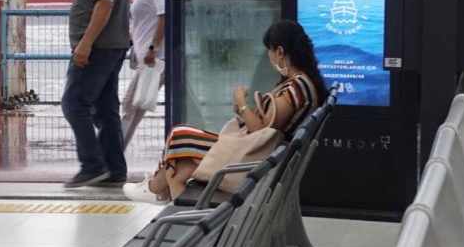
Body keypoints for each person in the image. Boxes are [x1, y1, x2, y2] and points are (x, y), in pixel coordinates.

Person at [124, 19, 324, 205]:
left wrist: (241, 102)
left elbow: (261, 132)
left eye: (269, 51)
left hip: (254, 159)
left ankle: (156, 190)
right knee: (181, 165)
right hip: (262, 157)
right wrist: (244, 111)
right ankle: (163, 195)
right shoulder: (303, 84)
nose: (269, 58)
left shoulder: (295, 89)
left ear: (280, 51)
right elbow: (267, 128)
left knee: (180, 136)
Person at [61, 0, 132, 188]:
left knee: (74, 103)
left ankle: (92, 165)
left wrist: (85, 43)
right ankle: (114, 169)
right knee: (104, 109)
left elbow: (104, 4)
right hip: (112, 44)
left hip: (99, 47)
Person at [121, 0, 167, 148]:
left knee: (131, 106)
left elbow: (164, 14)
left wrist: (151, 49)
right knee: (133, 106)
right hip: (152, 56)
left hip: (154, 58)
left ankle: (112, 156)